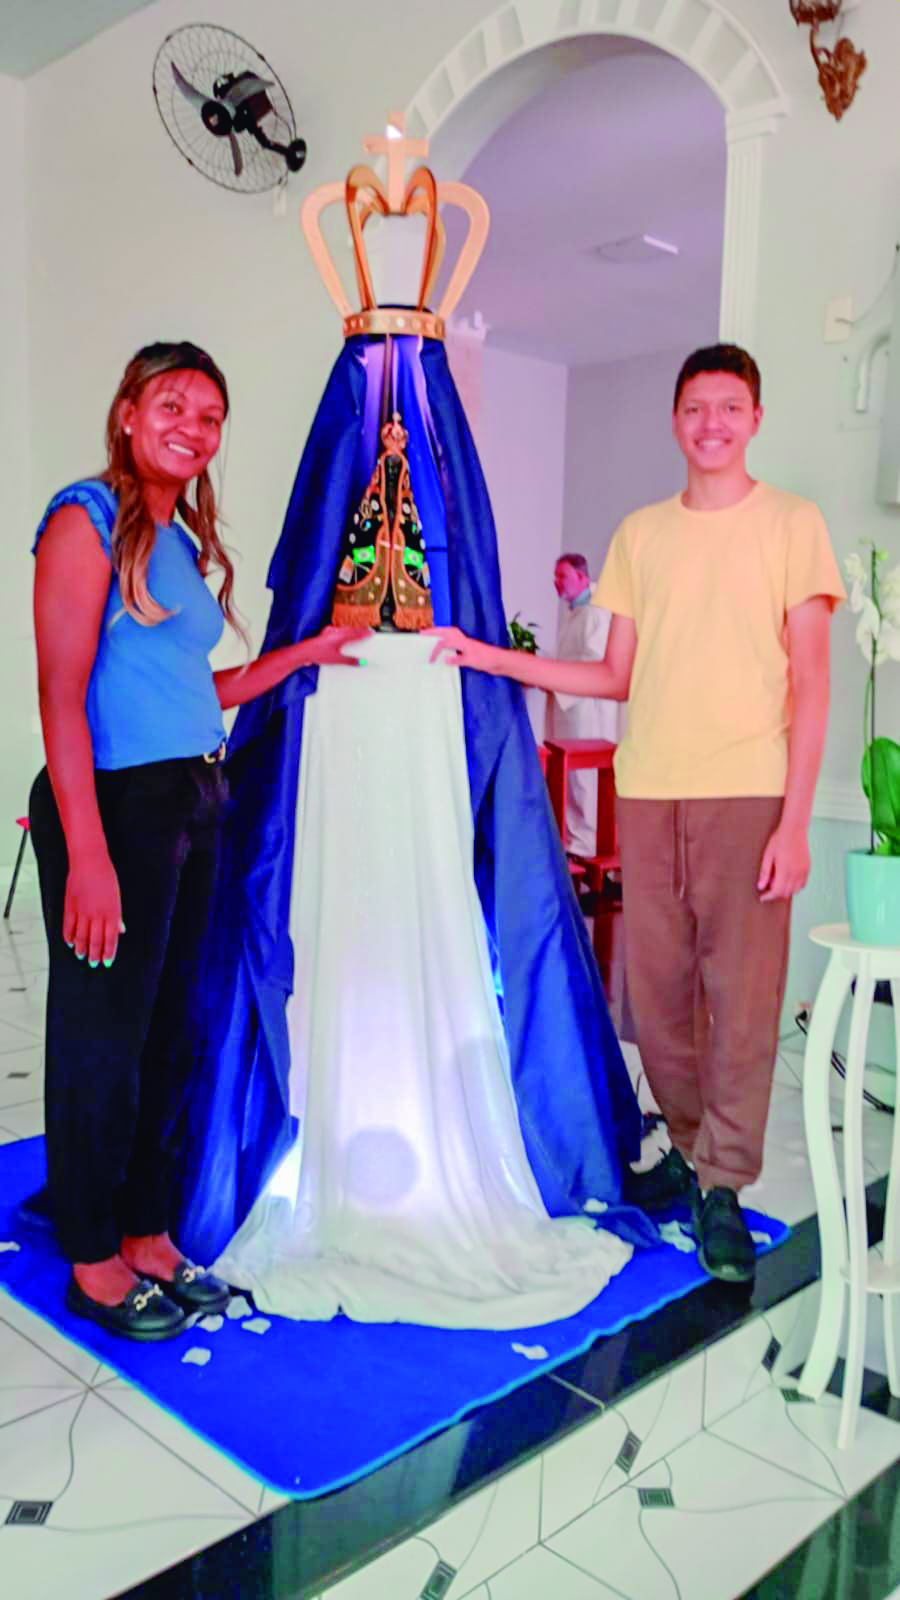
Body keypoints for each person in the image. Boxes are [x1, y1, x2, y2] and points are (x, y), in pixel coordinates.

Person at [172, 135, 657, 1329]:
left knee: (428, 885)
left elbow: (464, 570)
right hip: (345, 685)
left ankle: (451, 1137)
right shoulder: (353, 366)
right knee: (332, 889)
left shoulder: (439, 322)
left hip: (421, 681)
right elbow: (314, 562)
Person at [430, 344, 846, 1284]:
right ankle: (695, 1158)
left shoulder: (792, 524)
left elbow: (814, 683)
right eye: (696, 407)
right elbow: (613, 675)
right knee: (656, 1003)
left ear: (755, 418)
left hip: (749, 793)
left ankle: (725, 1182)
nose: (712, 423)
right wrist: (491, 656)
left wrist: (793, 823)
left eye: (729, 407)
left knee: (742, 1000)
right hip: (650, 790)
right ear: (676, 421)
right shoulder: (642, 535)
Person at [28, 340, 364, 1341]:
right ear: (128, 412)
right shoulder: (84, 518)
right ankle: (92, 1254)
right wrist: (88, 852)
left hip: (191, 797)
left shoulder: (174, 539)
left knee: (174, 1029)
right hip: (115, 807)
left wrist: (301, 656)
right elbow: (60, 696)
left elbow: (192, 692)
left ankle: (145, 1229)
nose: (192, 426)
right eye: (172, 404)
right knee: (103, 1035)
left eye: (209, 415)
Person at [548, 552, 620, 857]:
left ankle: (587, 842)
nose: (556, 582)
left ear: (581, 576)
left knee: (584, 779)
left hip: (587, 709)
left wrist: (554, 677)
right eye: (555, 576)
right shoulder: (574, 612)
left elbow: (594, 660)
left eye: (562, 576)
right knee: (568, 776)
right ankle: (573, 838)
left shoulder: (596, 612)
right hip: (570, 706)